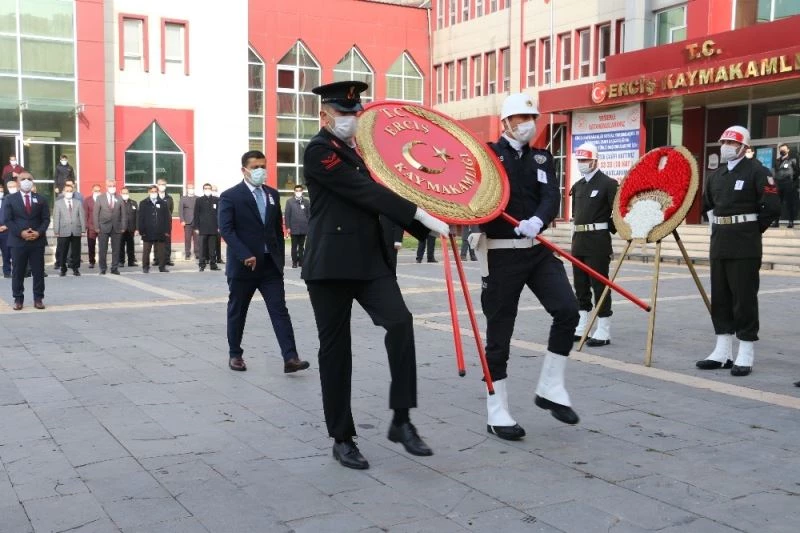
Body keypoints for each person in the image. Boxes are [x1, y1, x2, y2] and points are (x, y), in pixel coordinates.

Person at [302, 81, 447, 470]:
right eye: (343, 113)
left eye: (354, 113)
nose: (350, 120)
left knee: (400, 323)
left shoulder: (365, 152)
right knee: (336, 352)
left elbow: (393, 184)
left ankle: (402, 419)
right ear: (324, 116)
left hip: (370, 262)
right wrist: (418, 215)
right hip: (330, 266)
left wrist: (434, 215)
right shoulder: (318, 152)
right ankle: (342, 437)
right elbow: (364, 192)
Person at [471, 93, 580, 442]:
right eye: (520, 117)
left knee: (567, 310)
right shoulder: (488, 155)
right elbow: (474, 196)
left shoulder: (542, 157)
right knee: (500, 334)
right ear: (505, 122)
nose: (527, 123)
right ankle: (496, 409)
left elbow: (551, 196)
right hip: (501, 253)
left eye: (531, 116)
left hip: (536, 249)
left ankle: (550, 387)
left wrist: (537, 219)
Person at [696, 126, 780, 376]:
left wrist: (751, 231)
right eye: (723, 142)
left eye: (731, 143)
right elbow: (707, 205)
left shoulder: (758, 172)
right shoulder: (717, 175)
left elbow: (772, 207)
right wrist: (718, 229)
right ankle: (722, 351)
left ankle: (746, 351)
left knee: (744, 298)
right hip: (720, 242)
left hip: (745, 244)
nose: (725, 147)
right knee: (720, 298)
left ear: (744, 147)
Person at [218, 151, 308, 374]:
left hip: (269, 266)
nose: (261, 171)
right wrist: (243, 254)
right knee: (238, 310)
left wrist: (279, 257)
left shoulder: (272, 194)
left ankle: (290, 357)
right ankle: (235, 354)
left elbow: (276, 229)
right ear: (244, 170)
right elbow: (227, 230)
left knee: (279, 311)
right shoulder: (231, 196)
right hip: (244, 266)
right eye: (256, 167)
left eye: (263, 166)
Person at [569, 142, 618, 347]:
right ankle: (582, 324)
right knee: (580, 285)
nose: (582, 163)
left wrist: (616, 231)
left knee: (599, 284)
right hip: (579, 240)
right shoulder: (578, 186)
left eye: (586, 160)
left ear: (595, 160)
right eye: (580, 160)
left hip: (598, 240)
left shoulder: (608, 184)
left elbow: (617, 213)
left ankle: (603, 328)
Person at [3, 172, 49, 310]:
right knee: (18, 271)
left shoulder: (41, 199)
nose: (27, 181)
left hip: (37, 241)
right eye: (23, 179)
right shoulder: (10, 199)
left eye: (29, 179)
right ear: (17, 181)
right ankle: (18, 299)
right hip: (18, 242)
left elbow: (46, 219)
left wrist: (39, 232)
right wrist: (21, 233)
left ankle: (38, 299)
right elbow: (8, 220)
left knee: (38, 271)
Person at [93, 179, 127, 275]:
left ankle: (114, 268)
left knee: (116, 249)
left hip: (116, 227)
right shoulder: (100, 198)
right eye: (110, 186)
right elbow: (95, 213)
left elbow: (123, 214)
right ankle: (103, 268)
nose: (112, 187)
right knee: (102, 249)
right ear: (106, 186)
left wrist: (123, 226)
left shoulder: (120, 198)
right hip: (103, 227)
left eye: (113, 186)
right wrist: (96, 227)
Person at [52, 182, 85, 276]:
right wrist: (56, 231)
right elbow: (56, 218)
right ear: (63, 192)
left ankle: (75, 268)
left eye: (71, 191)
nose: (69, 192)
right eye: (67, 191)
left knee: (76, 251)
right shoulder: (58, 203)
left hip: (76, 229)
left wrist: (83, 229)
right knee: (63, 250)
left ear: (73, 191)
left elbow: (81, 216)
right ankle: (63, 268)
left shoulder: (78, 202)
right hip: (63, 230)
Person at [138, 184, 171, 273]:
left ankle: (162, 267)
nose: (154, 193)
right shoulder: (143, 203)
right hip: (147, 231)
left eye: (155, 191)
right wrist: (141, 231)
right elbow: (140, 218)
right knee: (146, 251)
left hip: (160, 231)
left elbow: (167, 218)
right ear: (148, 192)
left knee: (161, 251)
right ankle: (145, 267)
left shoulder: (163, 203)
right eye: (152, 191)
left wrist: (167, 231)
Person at [193, 183, 220, 272]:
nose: (207, 189)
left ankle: (213, 264)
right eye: (205, 188)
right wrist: (196, 227)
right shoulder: (199, 200)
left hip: (213, 227)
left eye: (209, 188)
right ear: (203, 189)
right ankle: (202, 264)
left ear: (211, 189)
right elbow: (196, 214)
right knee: (202, 248)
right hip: (202, 228)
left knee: (212, 248)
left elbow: (219, 214)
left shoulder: (216, 200)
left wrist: (219, 226)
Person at [284, 184, 310, 268]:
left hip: (303, 227)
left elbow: (309, 214)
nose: (298, 192)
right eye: (297, 191)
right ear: (294, 192)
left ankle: (301, 261)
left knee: (302, 246)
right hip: (294, 227)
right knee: (294, 246)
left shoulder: (306, 201)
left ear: (302, 191)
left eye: (300, 191)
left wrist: (309, 225)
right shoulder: (289, 201)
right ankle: (294, 262)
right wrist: (288, 227)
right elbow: (287, 215)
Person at [774, 143, 798, 228]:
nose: (782, 151)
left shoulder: (793, 160)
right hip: (779, 184)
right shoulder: (777, 160)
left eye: (784, 149)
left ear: (788, 150)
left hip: (789, 184)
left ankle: (791, 222)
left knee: (789, 203)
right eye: (781, 149)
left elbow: (797, 172)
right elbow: (776, 172)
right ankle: (776, 222)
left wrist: (792, 182)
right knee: (777, 204)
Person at [156, 178, 175, 265]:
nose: (162, 186)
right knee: (157, 241)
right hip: (156, 223)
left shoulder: (169, 198)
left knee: (167, 241)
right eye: (160, 184)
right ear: (157, 185)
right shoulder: (154, 197)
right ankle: (157, 260)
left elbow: (170, 210)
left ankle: (167, 259)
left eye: (164, 184)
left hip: (167, 223)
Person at [118, 188, 138, 267]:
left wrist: (137, 228)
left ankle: (131, 262)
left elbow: (137, 216)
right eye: (123, 193)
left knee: (131, 246)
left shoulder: (133, 203)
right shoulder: (117, 203)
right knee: (121, 246)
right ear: (120, 193)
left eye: (126, 193)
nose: (125, 194)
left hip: (131, 228)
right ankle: (121, 261)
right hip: (121, 229)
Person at [84, 184, 101, 268]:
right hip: (91, 227)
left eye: (99, 190)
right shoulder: (87, 200)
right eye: (95, 190)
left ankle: (102, 261)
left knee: (102, 245)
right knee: (91, 245)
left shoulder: (103, 199)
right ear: (92, 191)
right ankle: (92, 261)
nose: (97, 192)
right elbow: (85, 214)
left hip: (102, 227)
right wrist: (86, 226)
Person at [179, 185, 198, 260]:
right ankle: (187, 253)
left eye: (192, 188)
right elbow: (180, 210)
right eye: (190, 188)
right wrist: (182, 220)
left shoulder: (198, 198)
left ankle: (197, 253)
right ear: (187, 189)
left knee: (197, 239)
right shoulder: (183, 198)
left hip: (196, 222)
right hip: (187, 222)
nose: (191, 189)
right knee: (187, 238)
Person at [0, 186, 10, 278]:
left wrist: (6, 226)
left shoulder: (6, 201)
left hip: (5, 231)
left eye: (2, 191)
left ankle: (7, 272)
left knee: (6, 253)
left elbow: (11, 215)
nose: (1, 193)